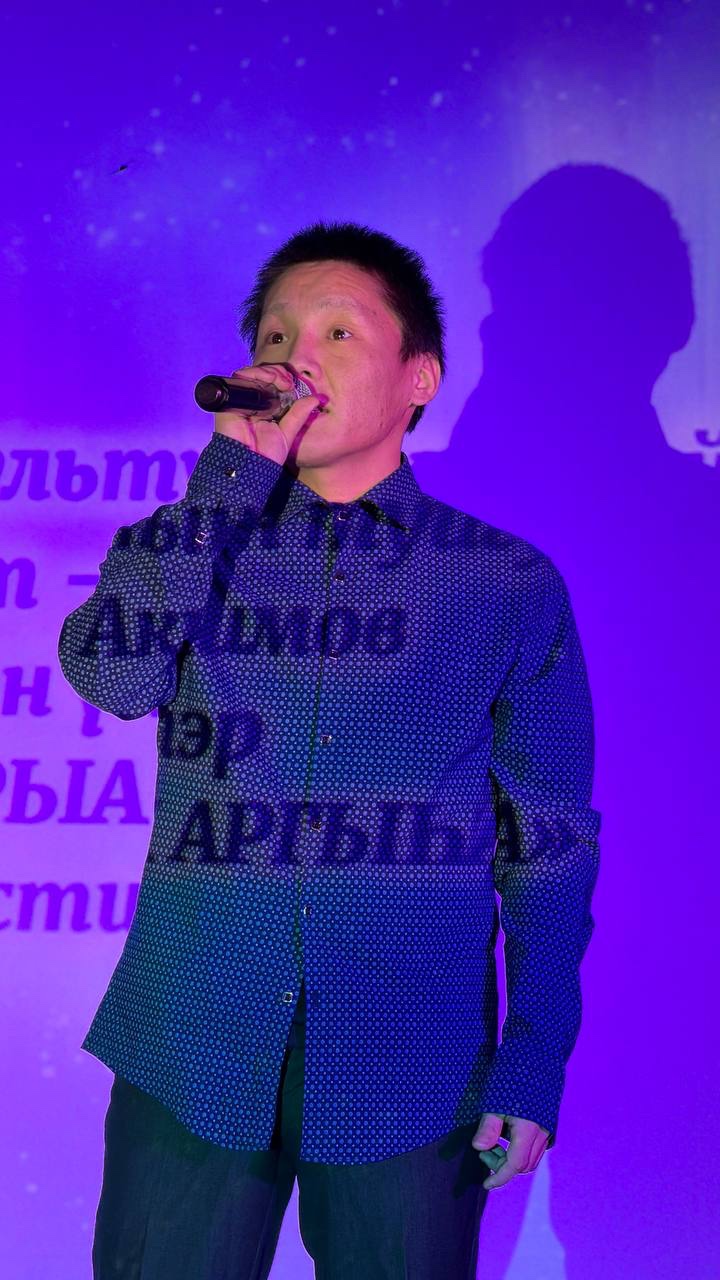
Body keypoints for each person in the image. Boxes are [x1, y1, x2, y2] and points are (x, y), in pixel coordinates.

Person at [57, 219, 601, 1279]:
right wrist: (225, 485)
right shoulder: (184, 544)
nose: (296, 357)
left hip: (411, 1063)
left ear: (419, 378)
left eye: (338, 332)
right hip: (191, 1042)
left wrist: (533, 1061)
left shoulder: (505, 583)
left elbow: (549, 844)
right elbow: (110, 679)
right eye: (275, 335)